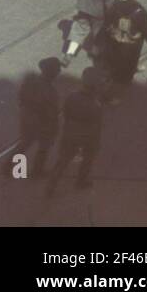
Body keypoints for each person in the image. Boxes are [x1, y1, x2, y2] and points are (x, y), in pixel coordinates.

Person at [45, 68, 104, 196]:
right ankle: (80, 181)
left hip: (70, 132)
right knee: (88, 158)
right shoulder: (96, 105)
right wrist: (97, 142)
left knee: (63, 161)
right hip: (87, 136)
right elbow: (96, 126)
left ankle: (51, 186)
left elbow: (65, 113)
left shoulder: (72, 96)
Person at [1, 57, 61, 178]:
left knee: (25, 143)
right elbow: (51, 112)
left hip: (27, 118)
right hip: (42, 122)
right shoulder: (50, 91)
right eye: (57, 70)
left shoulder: (31, 82)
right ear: (52, 73)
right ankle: (37, 171)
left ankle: (8, 166)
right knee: (44, 146)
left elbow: (21, 98)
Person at [101, 0, 147, 102]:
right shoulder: (140, 12)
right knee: (124, 75)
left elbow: (107, 21)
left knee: (113, 66)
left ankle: (107, 86)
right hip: (130, 48)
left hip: (114, 42)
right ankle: (115, 96)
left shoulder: (116, 5)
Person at [63, 0, 116, 66]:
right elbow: (108, 3)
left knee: (79, 29)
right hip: (98, 13)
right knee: (97, 32)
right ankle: (94, 52)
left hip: (83, 6)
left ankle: (69, 53)